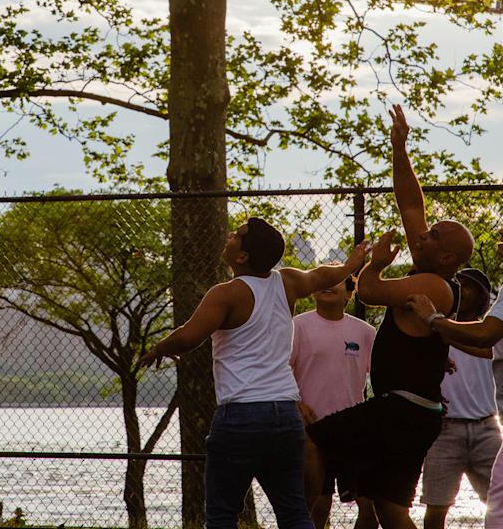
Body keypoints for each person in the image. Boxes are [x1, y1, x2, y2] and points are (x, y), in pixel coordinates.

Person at [138, 216, 369, 529]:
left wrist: (158, 348)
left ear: (242, 256)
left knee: (221, 515)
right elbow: (320, 275)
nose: (230, 236)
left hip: (241, 415)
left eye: (237, 235)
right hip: (286, 415)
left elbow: (188, 336)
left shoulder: (227, 293)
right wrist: (350, 265)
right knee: (294, 511)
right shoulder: (286, 282)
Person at [306, 105, 472, 529]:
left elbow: (372, 291)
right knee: (389, 509)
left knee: (309, 440)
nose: (423, 232)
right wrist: (399, 148)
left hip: (402, 411)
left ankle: (302, 516)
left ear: (448, 256)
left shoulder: (435, 287)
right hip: (409, 412)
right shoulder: (429, 266)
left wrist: (375, 263)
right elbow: (410, 202)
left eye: (433, 235)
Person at [408, 230, 503, 529]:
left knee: (497, 508)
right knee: (437, 510)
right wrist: (438, 327)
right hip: (445, 430)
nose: (499, 244)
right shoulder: (441, 334)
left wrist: (434, 320)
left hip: (487, 428)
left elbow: (485, 339)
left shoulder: (481, 327)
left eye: (469, 286)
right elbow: (487, 346)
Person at [291, 274, 377, 529]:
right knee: (319, 504)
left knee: (370, 504)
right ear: (312, 292)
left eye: (338, 281)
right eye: (323, 280)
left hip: (354, 429)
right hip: (312, 430)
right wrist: (296, 404)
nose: (328, 284)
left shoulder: (365, 332)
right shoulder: (296, 327)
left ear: (349, 294)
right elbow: (280, 369)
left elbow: (384, 375)